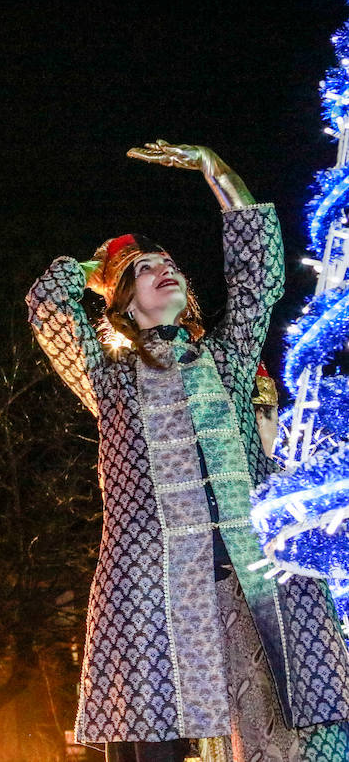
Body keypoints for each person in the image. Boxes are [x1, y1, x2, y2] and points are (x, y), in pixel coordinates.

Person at [27, 141, 349, 762]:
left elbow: (259, 275)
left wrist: (216, 169)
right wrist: (94, 269)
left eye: (168, 261)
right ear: (120, 303)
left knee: (304, 730)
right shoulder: (110, 380)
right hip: (154, 586)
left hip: (259, 579)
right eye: (145, 270)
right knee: (153, 736)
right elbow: (49, 310)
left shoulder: (225, 361)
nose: (164, 268)